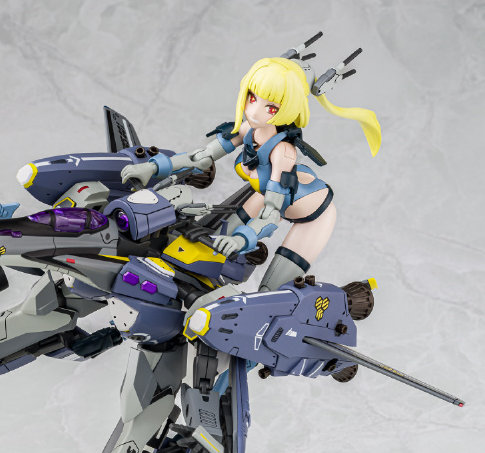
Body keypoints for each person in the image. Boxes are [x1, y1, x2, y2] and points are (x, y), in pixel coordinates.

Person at [121, 56, 381, 290]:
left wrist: (241, 240)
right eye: (252, 98)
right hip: (265, 194)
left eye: (271, 107)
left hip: (312, 214)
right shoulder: (247, 129)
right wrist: (152, 167)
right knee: (206, 250)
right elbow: (199, 157)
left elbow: (272, 213)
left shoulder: (283, 152)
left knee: (271, 293)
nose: (254, 111)